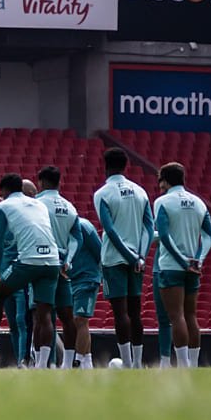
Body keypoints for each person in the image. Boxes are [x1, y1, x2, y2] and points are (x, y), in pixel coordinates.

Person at [0, 174, 62, 369]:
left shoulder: (3, 207)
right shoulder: (39, 205)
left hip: (28, 261)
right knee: (44, 314)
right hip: (52, 261)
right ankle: (42, 364)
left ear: (4, 191)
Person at [93, 147, 154, 368]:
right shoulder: (140, 191)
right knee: (135, 312)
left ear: (105, 166)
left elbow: (109, 229)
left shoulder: (102, 193)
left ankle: (127, 364)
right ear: (126, 166)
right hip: (137, 260)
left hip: (114, 259)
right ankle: (137, 363)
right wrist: (140, 256)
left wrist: (128, 256)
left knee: (120, 313)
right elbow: (149, 225)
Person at [152, 163, 211, 368]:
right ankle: (194, 365)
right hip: (193, 267)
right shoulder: (199, 203)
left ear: (166, 181)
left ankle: (183, 365)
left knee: (175, 316)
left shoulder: (162, 202)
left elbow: (164, 235)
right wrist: (199, 259)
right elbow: (209, 235)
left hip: (172, 266)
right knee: (191, 315)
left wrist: (181, 261)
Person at [35, 166, 80, 368]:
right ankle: (68, 363)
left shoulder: (36, 204)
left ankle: (42, 363)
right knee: (67, 316)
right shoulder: (70, 207)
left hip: (44, 263)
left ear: (41, 182)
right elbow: (76, 238)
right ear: (59, 182)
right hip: (63, 266)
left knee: (43, 314)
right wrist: (68, 260)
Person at [69, 216, 102, 368]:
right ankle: (87, 363)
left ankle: (78, 361)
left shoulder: (84, 226)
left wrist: (97, 276)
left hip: (87, 278)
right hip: (71, 278)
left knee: (80, 319)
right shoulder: (61, 229)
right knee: (78, 321)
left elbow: (99, 251)